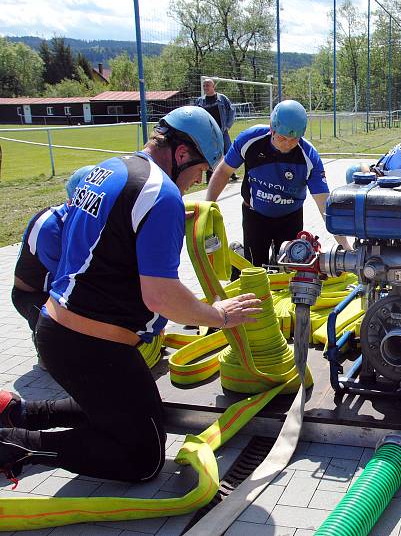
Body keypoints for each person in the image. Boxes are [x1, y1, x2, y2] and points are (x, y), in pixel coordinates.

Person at [0, 106, 263, 483]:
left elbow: (111, 240)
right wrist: (219, 315)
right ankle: (17, 444)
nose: (196, 181)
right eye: (200, 170)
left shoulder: (109, 170)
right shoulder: (161, 194)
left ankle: (21, 411)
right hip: (91, 346)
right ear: (182, 153)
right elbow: (161, 297)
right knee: (143, 457)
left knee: (127, 409)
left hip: (60, 329)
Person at [206, 99, 349, 271]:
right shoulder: (250, 140)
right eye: (282, 138)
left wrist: (347, 248)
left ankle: (274, 260)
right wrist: (207, 207)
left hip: (290, 217)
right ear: (271, 128)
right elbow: (223, 172)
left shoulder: (309, 157)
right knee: (255, 269)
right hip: (255, 215)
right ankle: (240, 254)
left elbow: (325, 207)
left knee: (290, 268)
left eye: (293, 139)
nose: (287, 144)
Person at [12, 165, 92, 334]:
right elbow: (69, 283)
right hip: (34, 294)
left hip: (68, 290)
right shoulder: (49, 226)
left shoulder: (91, 221)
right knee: (65, 332)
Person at [196, 77, 236, 182]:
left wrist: (227, 125)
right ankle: (209, 176)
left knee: (228, 152)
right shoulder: (200, 101)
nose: (205, 87)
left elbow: (231, 111)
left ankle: (231, 174)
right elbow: (197, 115)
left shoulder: (222, 98)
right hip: (209, 132)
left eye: (208, 85)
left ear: (213, 86)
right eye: (204, 85)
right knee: (210, 153)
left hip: (222, 131)